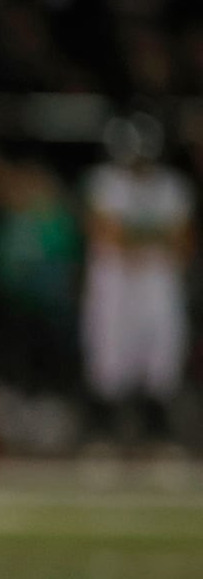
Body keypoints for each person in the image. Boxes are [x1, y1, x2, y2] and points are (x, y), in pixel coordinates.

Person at [79, 111, 197, 453]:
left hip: (157, 286)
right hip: (115, 287)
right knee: (109, 361)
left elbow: (184, 242)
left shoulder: (172, 187)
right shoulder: (105, 182)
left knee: (161, 362)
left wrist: (133, 236)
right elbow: (108, 233)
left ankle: (158, 437)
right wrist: (157, 236)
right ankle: (104, 437)